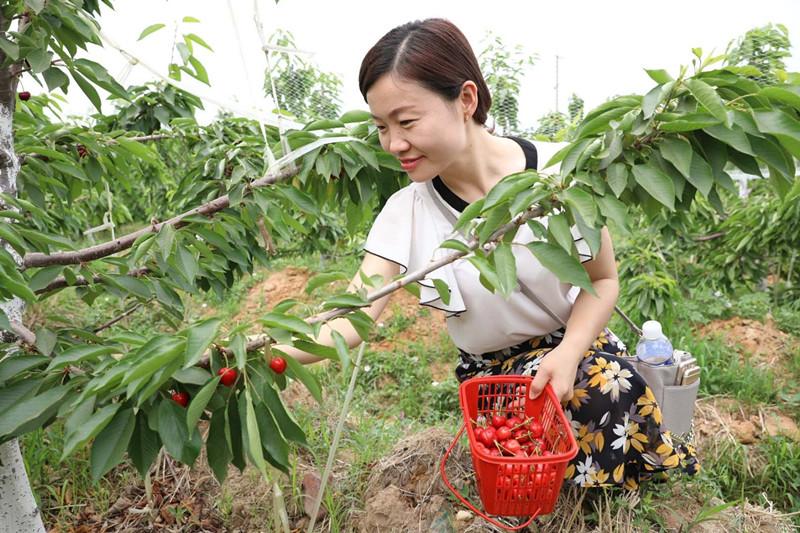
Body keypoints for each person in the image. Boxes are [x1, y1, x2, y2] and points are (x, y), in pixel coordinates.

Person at [276, 17, 699, 489]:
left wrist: (567, 352)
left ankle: (604, 498)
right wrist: (261, 354)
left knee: (602, 388)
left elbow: (602, 280)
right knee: (531, 446)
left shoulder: (560, 174)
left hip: (578, 345)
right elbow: (352, 316)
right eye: (381, 127)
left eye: (408, 122)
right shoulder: (407, 212)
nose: (394, 144)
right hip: (495, 375)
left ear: (466, 100)